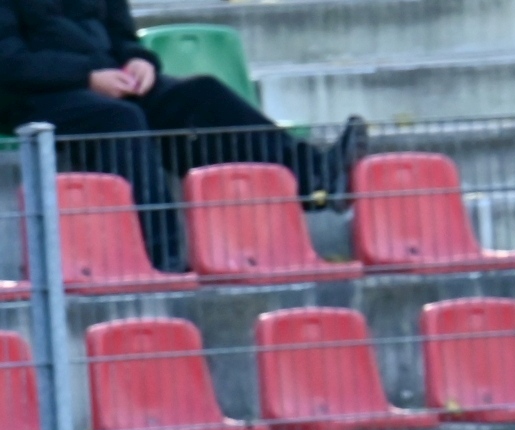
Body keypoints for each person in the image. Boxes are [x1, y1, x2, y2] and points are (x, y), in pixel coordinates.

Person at [0, 0, 367, 272]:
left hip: (108, 81)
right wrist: (85, 76)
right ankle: (163, 257)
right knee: (120, 118)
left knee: (201, 94)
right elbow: (10, 63)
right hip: (33, 96)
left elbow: (122, 37)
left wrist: (140, 61)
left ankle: (314, 179)